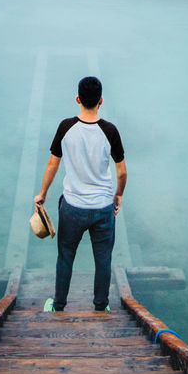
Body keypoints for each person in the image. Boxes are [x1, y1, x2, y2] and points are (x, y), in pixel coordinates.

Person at [34, 75, 126, 313]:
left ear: (78, 99)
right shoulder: (110, 131)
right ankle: (100, 306)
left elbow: (53, 164)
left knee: (66, 256)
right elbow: (122, 172)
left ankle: (59, 305)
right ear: (101, 101)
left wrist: (42, 193)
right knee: (103, 259)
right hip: (103, 207)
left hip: (73, 206)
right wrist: (118, 195)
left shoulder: (66, 127)